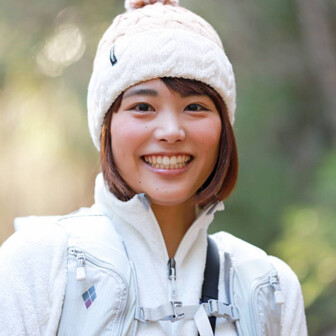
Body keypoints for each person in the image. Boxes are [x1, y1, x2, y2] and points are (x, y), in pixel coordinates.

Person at [0, 0, 307, 335]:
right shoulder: (40, 264)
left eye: (195, 106)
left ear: (223, 129)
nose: (171, 131)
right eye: (143, 106)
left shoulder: (268, 287)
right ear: (107, 129)